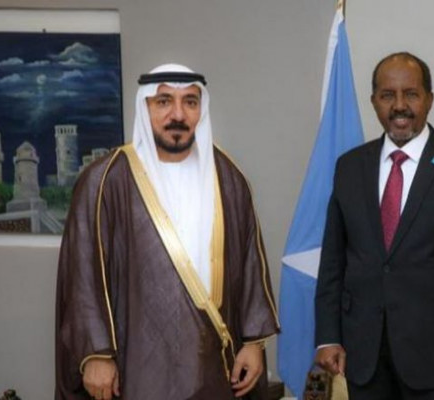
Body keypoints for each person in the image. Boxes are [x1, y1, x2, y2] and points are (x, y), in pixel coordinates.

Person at [55, 63, 280, 400]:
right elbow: (82, 275)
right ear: (144, 106)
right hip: (135, 364)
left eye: (190, 102)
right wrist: (96, 353)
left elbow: (250, 262)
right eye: (163, 102)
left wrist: (253, 342)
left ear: (201, 109)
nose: (178, 114)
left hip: (213, 365)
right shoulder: (106, 180)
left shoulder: (228, 177)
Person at [314, 52, 434, 400]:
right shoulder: (349, 167)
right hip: (365, 357)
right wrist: (328, 336)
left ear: (429, 99)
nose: (400, 105)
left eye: (411, 94)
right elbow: (333, 260)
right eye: (388, 95)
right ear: (373, 101)